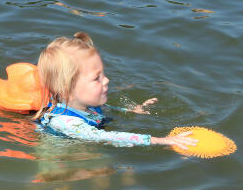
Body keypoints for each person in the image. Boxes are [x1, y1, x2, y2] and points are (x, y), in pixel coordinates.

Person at [34, 32, 197, 150]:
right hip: (62, 162)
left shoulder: (84, 103)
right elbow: (107, 137)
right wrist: (159, 140)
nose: (106, 80)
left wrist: (131, 111)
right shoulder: (65, 123)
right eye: (96, 78)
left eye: (103, 74)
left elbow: (102, 111)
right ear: (66, 90)